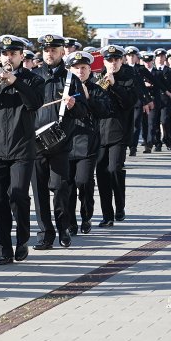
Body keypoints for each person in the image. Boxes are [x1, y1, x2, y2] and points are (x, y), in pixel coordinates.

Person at [0, 35, 44, 265]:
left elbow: (34, 103)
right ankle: (3, 249)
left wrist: (15, 81)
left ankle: (22, 240)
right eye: (5, 54)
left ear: (20, 56)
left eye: (13, 54)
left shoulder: (33, 80)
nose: (8, 58)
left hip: (22, 148)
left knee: (17, 195)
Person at [30, 34, 87, 251]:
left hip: (60, 144)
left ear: (62, 51)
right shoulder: (34, 77)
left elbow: (84, 113)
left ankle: (63, 228)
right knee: (39, 192)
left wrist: (73, 105)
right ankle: (45, 233)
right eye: (46, 50)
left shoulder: (71, 79)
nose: (49, 53)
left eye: (54, 49)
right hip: (36, 144)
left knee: (61, 188)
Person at [65, 51, 110, 236]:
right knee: (66, 186)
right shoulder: (64, 87)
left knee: (83, 182)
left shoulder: (97, 89)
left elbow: (105, 111)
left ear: (90, 70)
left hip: (87, 144)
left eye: (83, 68)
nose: (80, 71)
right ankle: (70, 222)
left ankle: (86, 216)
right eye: (76, 68)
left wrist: (88, 98)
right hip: (65, 143)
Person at [95, 45, 139, 229]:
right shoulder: (98, 78)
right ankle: (107, 215)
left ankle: (119, 205)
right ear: (104, 61)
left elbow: (129, 103)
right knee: (102, 174)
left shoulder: (129, 78)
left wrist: (114, 85)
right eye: (109, 60)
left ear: (121, 60)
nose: (112, 63)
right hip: (99, 133)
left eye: (116, 60)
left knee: (114, 169)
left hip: (119, 132)